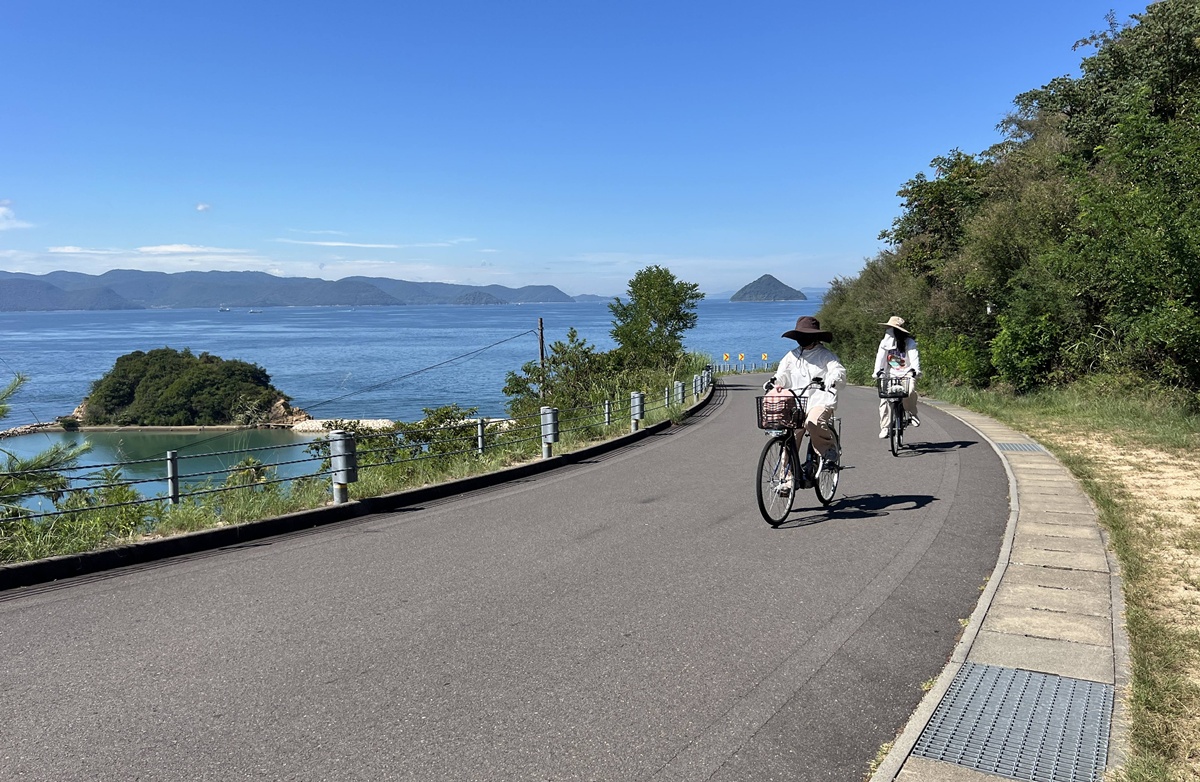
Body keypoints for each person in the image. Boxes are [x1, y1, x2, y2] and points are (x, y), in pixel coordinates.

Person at [763, 315, 846, 481]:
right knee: (790, 437)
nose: (802, 339)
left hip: (820, 400)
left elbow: (837, 370)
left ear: (815, 336)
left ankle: (828, 450)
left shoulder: (825, 355)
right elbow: (782, 375)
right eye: (800, 335)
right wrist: (775, 382)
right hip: (797, 402)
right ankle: (785, 479)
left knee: (812, 423)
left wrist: (832, 379)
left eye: (806, 335)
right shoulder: (791, 356)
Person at [873, 315, 921, 438]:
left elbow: (914, 358)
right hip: (891, 374)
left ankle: (912, 413)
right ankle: (885, 426)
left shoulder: (909, 342)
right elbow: (880, 358)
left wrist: (914, 370)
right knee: (885, 399)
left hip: (906, 373)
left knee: (909, 392)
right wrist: (878, 371)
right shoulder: (885, 343)